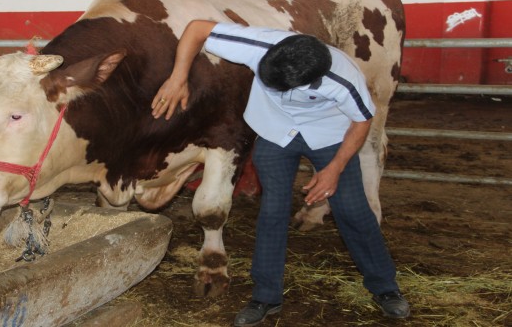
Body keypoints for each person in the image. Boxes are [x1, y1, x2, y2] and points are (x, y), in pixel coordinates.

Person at [151, 20, 410, 326]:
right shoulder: (262, 45)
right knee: (273, 210)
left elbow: (361, 121)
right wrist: (177, 77)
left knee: (352, 210)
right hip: (275, 132)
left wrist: (334, 169)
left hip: (329, 135)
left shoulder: (343, 79)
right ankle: (265, 296)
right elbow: (196, 28)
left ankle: (385, 288)